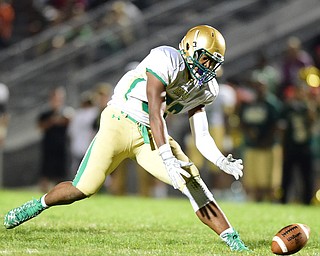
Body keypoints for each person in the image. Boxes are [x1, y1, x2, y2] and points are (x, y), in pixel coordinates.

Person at [3, 25, 249, 252]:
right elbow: (155, 111)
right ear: (188, 49)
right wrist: (167, 156)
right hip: (120, 121)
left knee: (192, 180)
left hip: (150, 136)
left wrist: (219, 160)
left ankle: (234, 241)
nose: (207, 66)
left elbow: (201, 133)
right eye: (204, 58)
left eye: (212, 62)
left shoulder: (206, 88)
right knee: (82, 189)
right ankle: (38, 204)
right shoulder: (167, 58)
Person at [36, 87, 74, 192]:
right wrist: (52, 121)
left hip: (62, 147)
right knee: (46, 173)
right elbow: (40, 126)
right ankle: (43, 196)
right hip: (49, 147)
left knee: (61, 175)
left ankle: (58, 195)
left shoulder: (66, 112)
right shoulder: (46, 113)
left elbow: (70, 121)